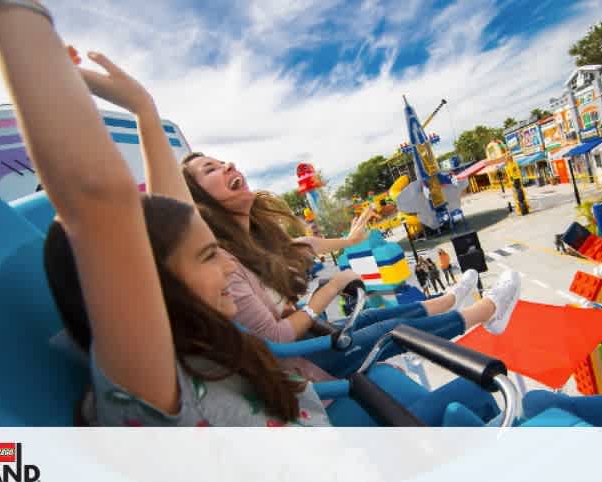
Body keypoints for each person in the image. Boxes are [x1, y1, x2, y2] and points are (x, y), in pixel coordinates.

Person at [0, 0, 602, 428]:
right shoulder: (150, 383)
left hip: (347, 417)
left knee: (497, 393)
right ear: (143, 291)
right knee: (537, 417)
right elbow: (101, 204)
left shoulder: (202, 350)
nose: (224, 272)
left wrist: (143, 111)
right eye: (207, 259)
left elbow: (166, 220)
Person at [69, 49, 526, 381]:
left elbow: (303, 246)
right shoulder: (214, 248)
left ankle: (458, 298)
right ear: (200, 202)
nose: (228, 166)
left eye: (224, 161)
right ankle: (488, 309)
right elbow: (275, 333)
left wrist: (347, 243)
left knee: (371, 321)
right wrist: (144, 112)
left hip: (305, 337)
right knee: (387, 326)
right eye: (210, 169)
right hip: (293, 362)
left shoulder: (255, 237)